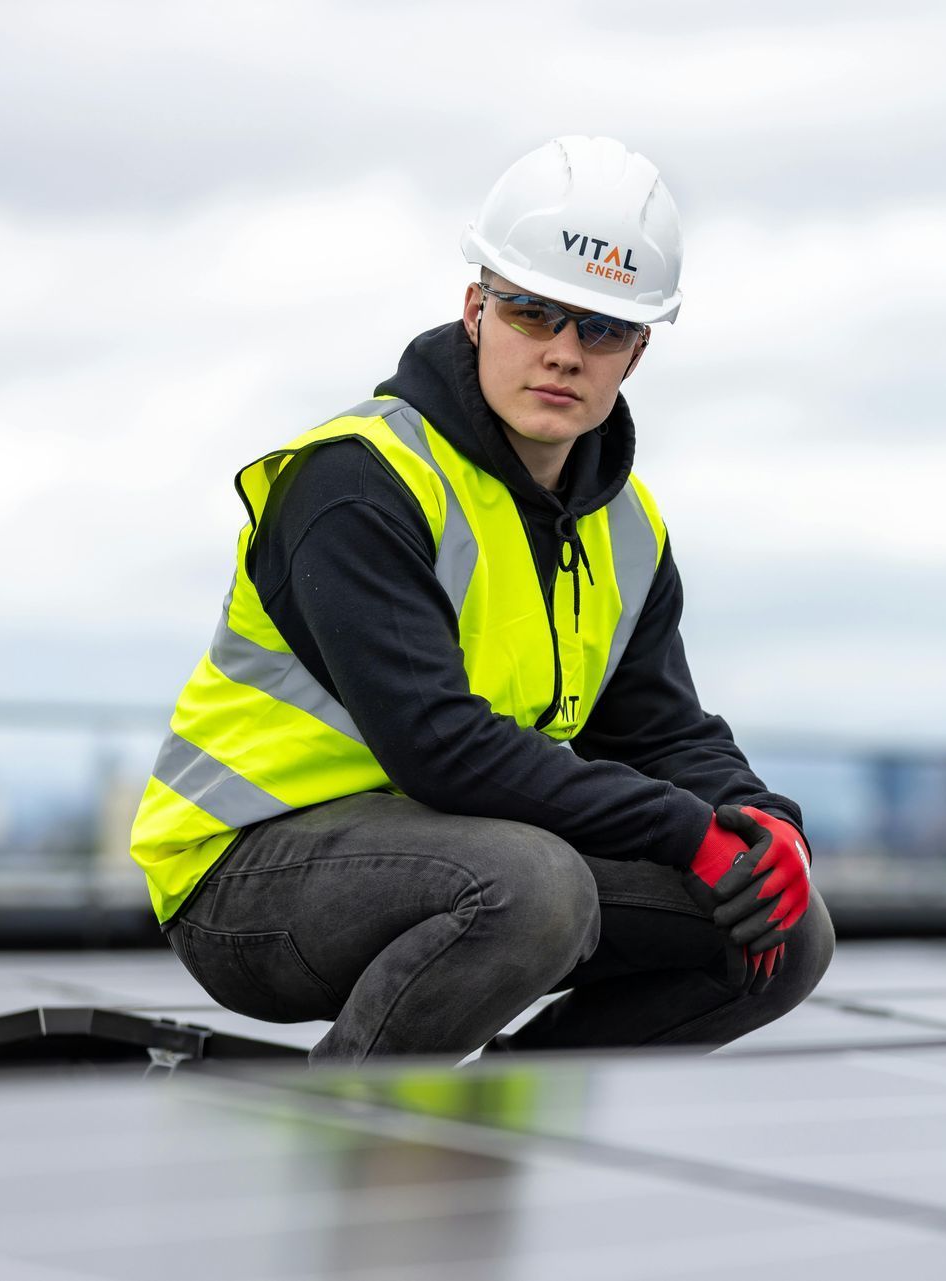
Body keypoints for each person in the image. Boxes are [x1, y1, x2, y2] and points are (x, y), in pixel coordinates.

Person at [130, 135, 834, 1067]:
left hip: (460, 848)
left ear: (638, 350)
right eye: (532, 313)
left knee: (781, 930)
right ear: (475, 310)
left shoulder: (623, 523)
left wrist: (759, 822)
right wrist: (681, 829)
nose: (563, 353)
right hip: (248, 877)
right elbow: (438, 746)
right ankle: (343, 1129)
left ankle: (505, 1122)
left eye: (601, 329)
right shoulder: (359, 482)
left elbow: (662, 733)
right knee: (533, 888)